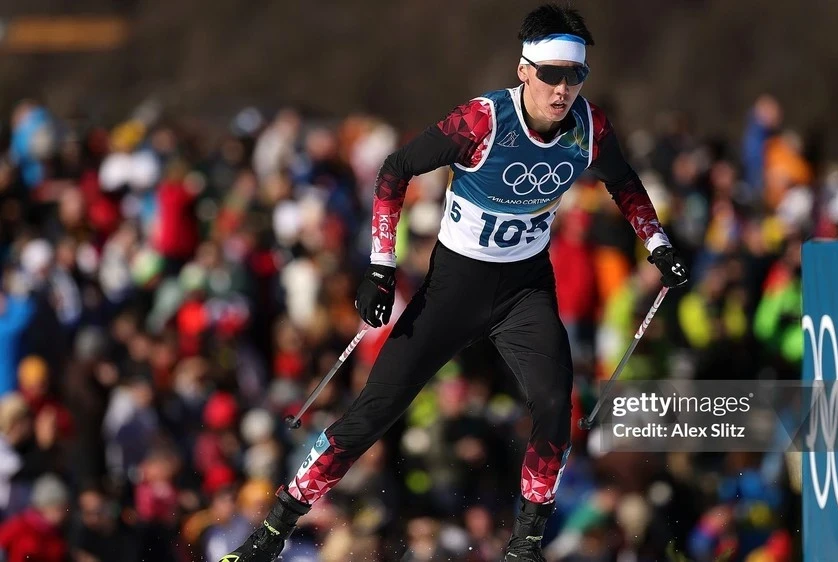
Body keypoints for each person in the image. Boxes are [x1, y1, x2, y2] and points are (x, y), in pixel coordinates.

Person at [223, 4, 688, 561]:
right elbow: (395, 168)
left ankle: (525, 546)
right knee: (373, 413)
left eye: (575, 75)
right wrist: (379, 266)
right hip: (455, 287)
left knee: (553, 406)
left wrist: (657, 246)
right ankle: (271, 533)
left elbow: (626, 183)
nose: (562, 89)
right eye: (551, 74)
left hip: (525, 289)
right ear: (524, 71)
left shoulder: (590, 127)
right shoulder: (483, 121)